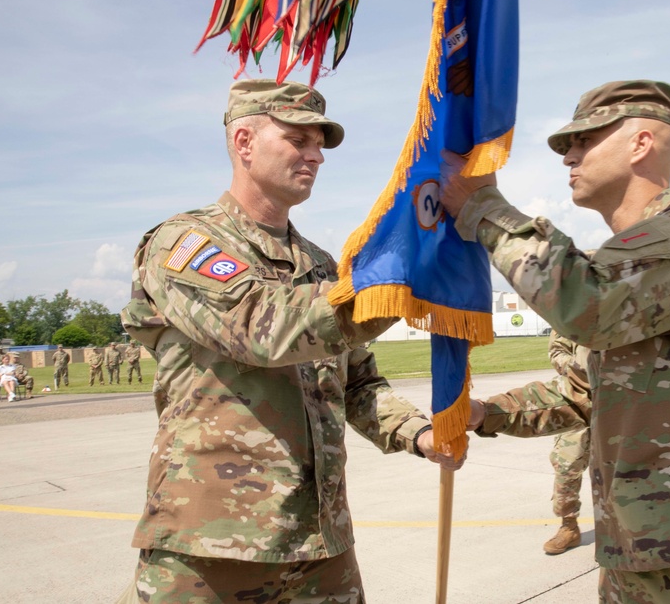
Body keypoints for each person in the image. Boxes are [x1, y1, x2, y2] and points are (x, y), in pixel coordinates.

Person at [441, 80, 670, 602]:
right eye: (567, 146)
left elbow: (589, 307)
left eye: (584, 140)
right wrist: (481, 413)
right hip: (639, 546)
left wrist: (485, 208)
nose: (570, 156)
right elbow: (581, 395)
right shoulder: (625, 262)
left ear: (641, 143)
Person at [116, 79, 464, 604]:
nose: (316, 155)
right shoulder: (185, 242)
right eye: (299, 139)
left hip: (320, 543)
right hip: (213, 546)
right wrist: (400, 283)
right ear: (244, 142)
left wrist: (418, 433)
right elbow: (262, 328)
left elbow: (356, 381)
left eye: (319, 144)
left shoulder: (323, 265)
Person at [543, 330, 592, 555]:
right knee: (567, 466)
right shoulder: (576, 308)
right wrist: (578, 368)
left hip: (621, 397)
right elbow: (557, 351)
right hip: (578, 398)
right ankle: (568, 526)